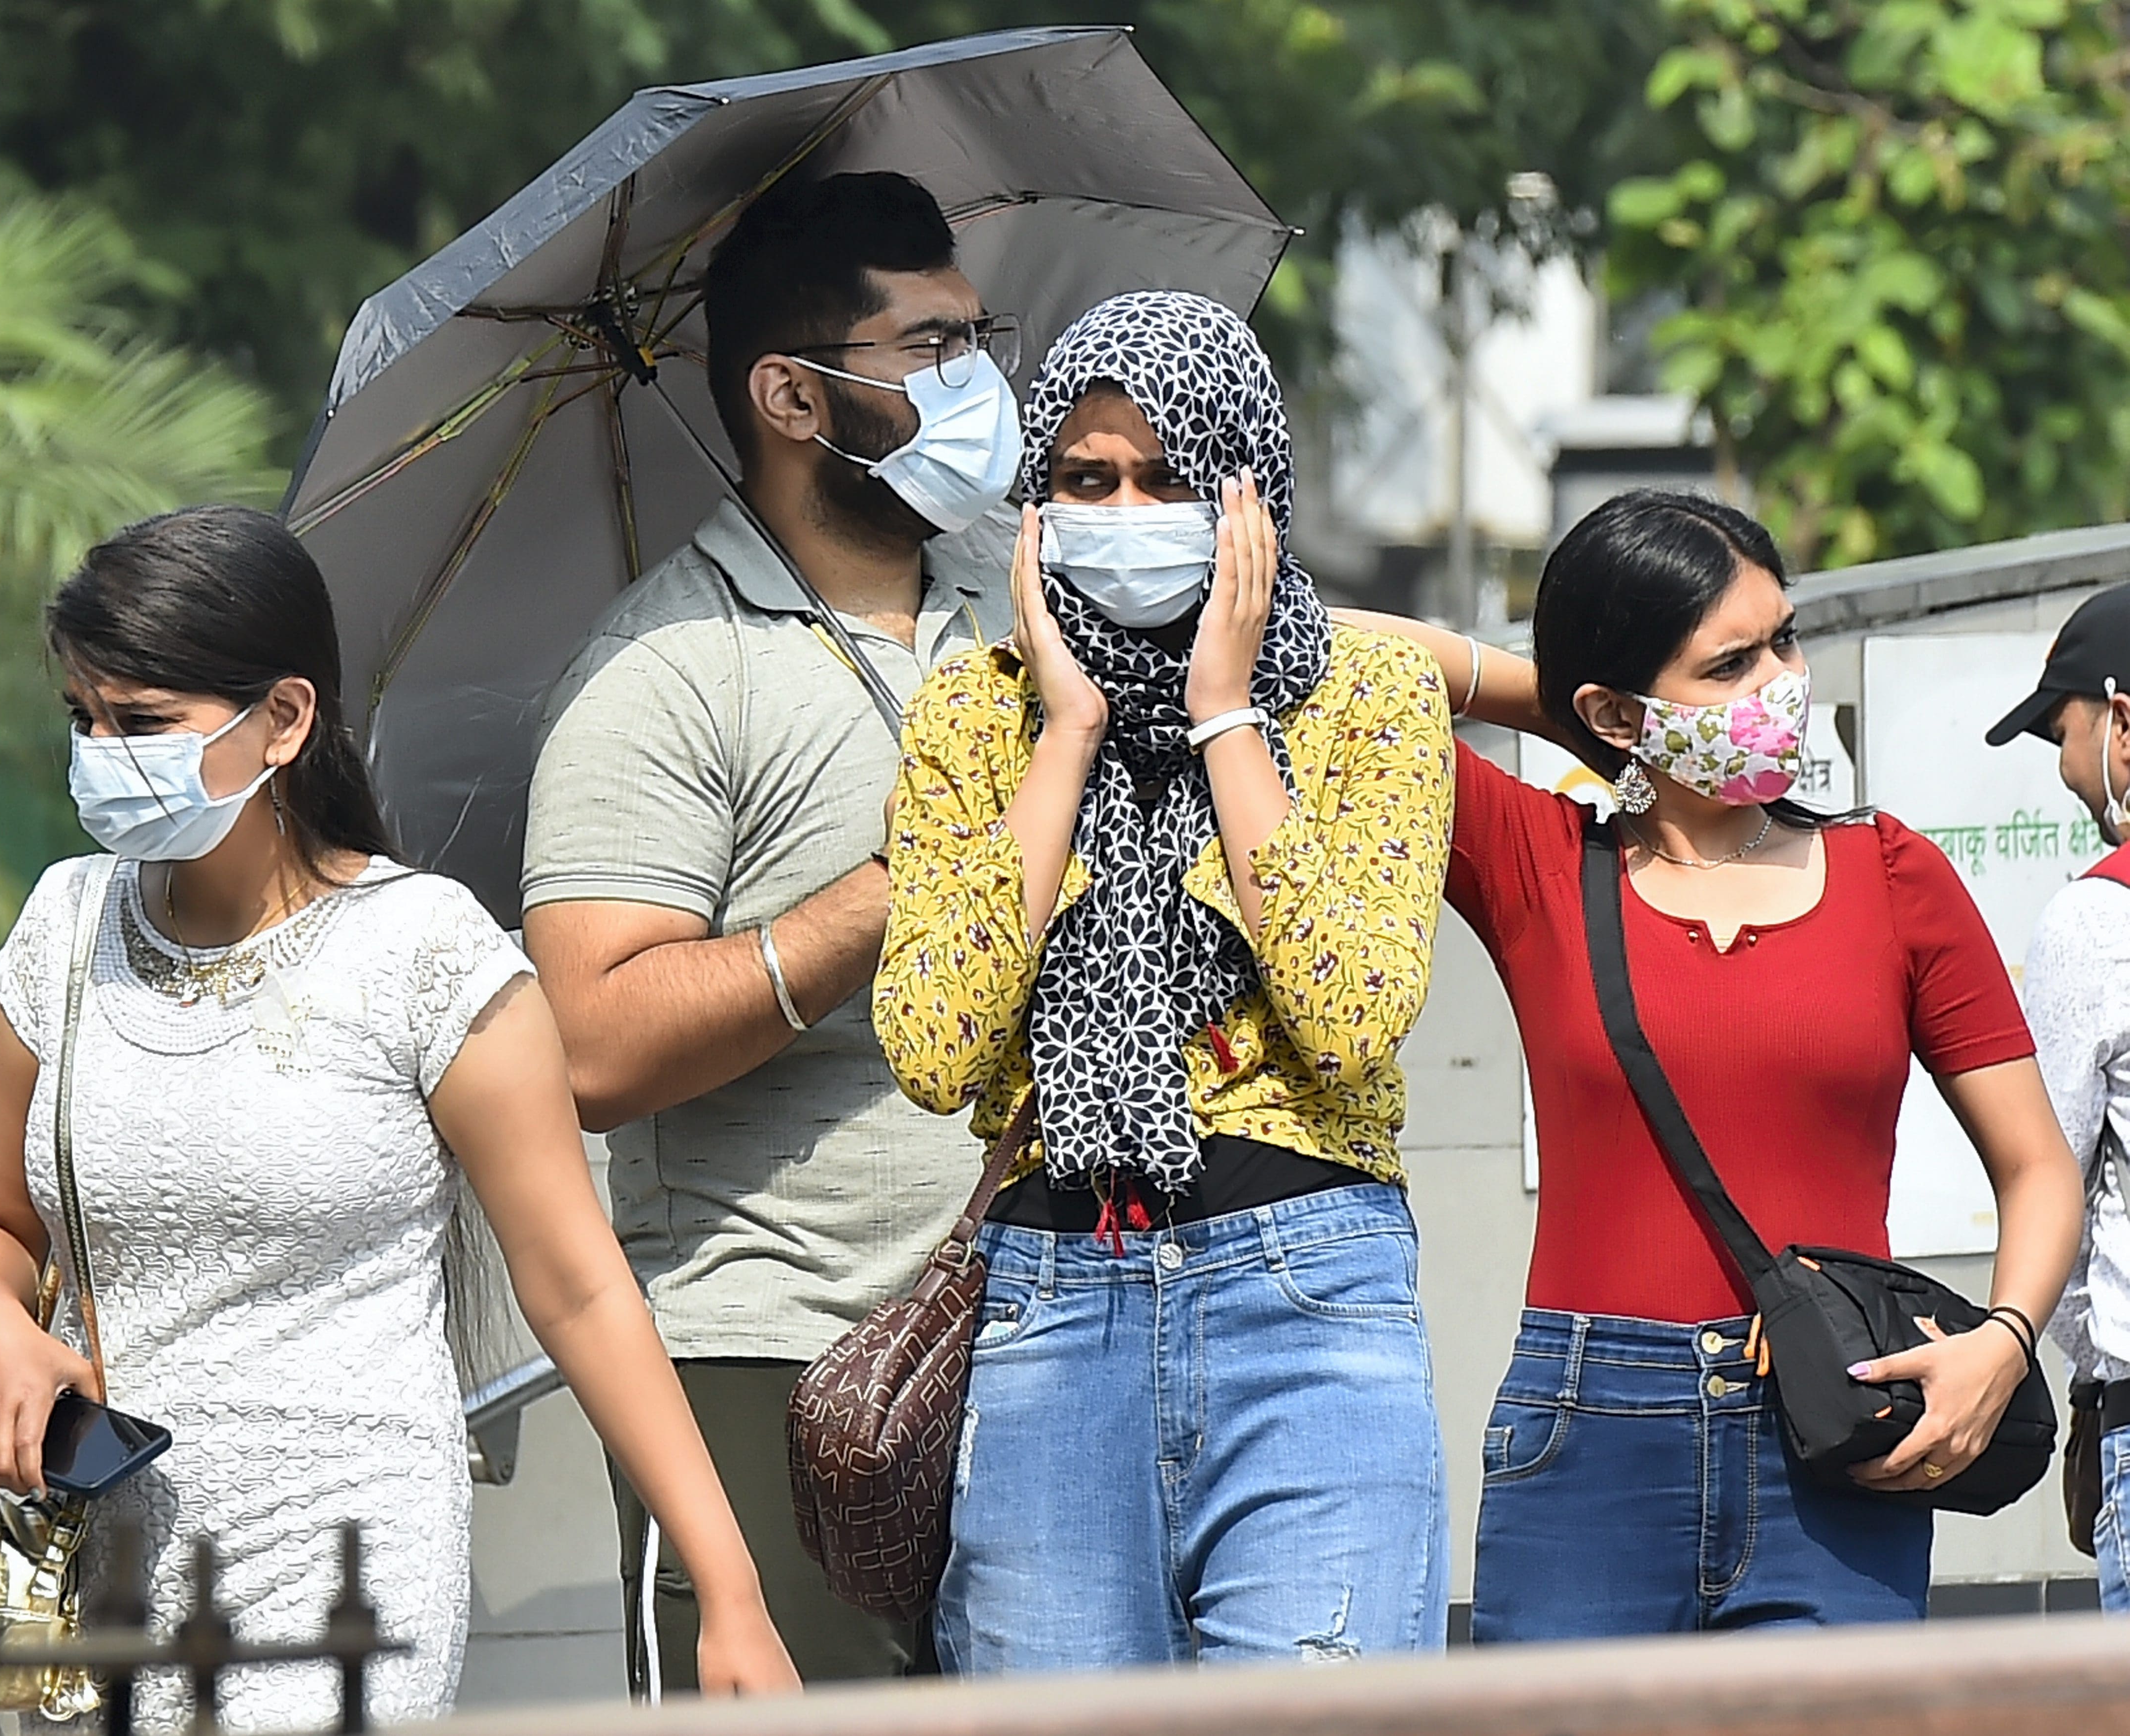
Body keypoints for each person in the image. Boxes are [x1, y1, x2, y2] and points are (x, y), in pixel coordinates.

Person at [0, 506, 797, 1731]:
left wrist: (726, 1581)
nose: (102, 755)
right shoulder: (65, 932)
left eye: (143, 723)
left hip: (340, 1559)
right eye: (84, 719)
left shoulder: (422, 951)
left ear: (283, 720)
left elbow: (581, 1288)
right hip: (89, 1557)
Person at [1341, 489, 2082, 1636]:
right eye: (1729, 664)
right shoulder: (1535, 856)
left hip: (1835, 1433)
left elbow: (2039, 1168)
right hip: (1588, 1435)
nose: (1779, 680)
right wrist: (1576, 714)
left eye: (1783, 638)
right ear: (1621, 708)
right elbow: (1317, 651)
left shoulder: (1894, 875)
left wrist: (2005, 1339)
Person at [874, 290, 1456, 1672]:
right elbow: (932, 1043)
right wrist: (1065, 733)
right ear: (1035, 504)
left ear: (1248, 487)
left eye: (1168, 475)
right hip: (1054, 1296)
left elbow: (1354, 1008)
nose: (1125, 509)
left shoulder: (1370, 690)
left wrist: (1224, 710)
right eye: (1086, 479)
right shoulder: (978, 707)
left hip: (1308, 1295)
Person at [520, 170, 1017, 1687]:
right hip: (776, 1353)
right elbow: (593, 1044)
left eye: (980, 339)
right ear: (795, 395)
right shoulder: (661, 669)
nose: (982, 386)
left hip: (1047, 1328)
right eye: (930, 350)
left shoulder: (1020, 598)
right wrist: (894, 892)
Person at [1991, 584, 2130, 1612]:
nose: (2065, 764)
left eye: (2063, 728)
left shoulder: (2098, 921)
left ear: (2121, 720)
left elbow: (2052, 1171)